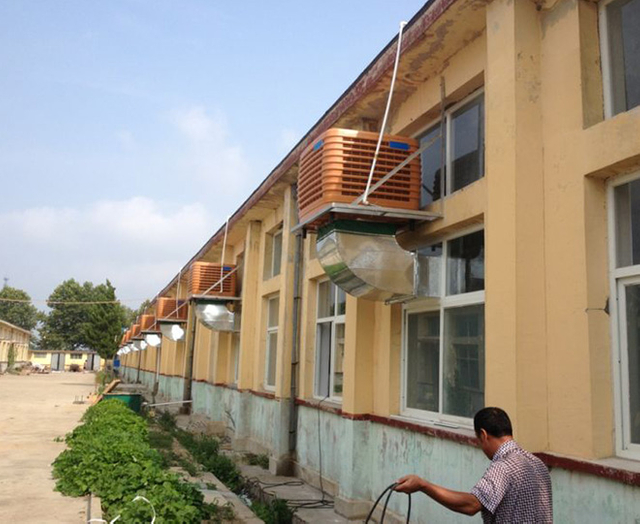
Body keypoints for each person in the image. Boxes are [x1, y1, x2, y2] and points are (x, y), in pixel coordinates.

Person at [394, 407, 552, 523]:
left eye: (478, 440)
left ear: (483, 435)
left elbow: (471, 505)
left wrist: (423, 485)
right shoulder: (538, 464)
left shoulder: (503, 467)